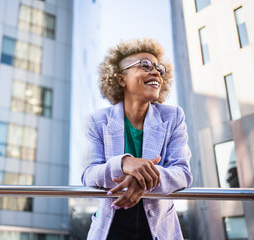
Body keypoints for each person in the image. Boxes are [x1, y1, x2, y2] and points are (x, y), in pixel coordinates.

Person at [81, 38, 193, 240]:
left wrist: (144, 177)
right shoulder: (97, 121)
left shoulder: (174, 117)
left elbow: (183, 173)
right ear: (121, 79)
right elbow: (89, 174)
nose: (156, 72)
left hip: (159, 228)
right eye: (145, 65)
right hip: (111, 228)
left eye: (159, 68)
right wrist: (124, 163)